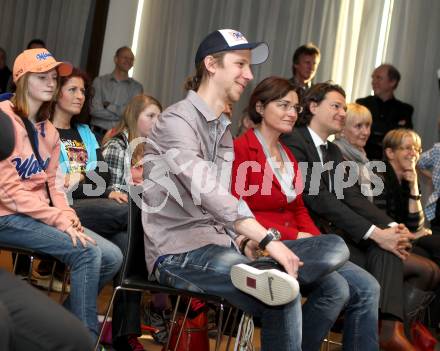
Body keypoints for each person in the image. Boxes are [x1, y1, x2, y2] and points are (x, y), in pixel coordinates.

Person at [142, 29, 350, 351]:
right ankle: (266, 269)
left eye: (249, 67)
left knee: (332, 250)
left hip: (221, 246)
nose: (249, 75)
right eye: (241, 64)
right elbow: (212, 193)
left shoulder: (220, 129)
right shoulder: (176, 121)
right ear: (211, 64)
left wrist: (242, 239)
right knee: (283, 291)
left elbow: (220, 206)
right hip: (178, 253)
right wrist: (267, 238)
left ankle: (263, 268)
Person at [231, 76, 379, 350]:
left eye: (295, 108)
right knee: (336, 287)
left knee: (368, 286)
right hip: (266, 244)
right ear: (260, 108)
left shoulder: (287, 154)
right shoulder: (242, 149)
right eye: (283, 105)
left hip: (300, 245)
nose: (291, 113)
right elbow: (238, 209)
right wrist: (296, 236)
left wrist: (310, 237)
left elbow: (298, 207)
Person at [281, 82, 417, 350]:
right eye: (336, 106)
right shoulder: (294, 141)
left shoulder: (332, 151)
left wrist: (391, 226)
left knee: (388, 251)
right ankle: (376, 331)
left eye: (344, 107)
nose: (343, 113)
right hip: (304, 237)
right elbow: (319, 199)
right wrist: (376, 233)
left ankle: (388, 329)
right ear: (313, 107)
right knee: (369, 276)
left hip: (331, 236)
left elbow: (352, 196)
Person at [0, 48, 122, 344]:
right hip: (7, 215)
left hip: (35, 214)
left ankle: (62, 332)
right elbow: (8, 191)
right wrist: (57, 218)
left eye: (54, 78)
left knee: (112, 256)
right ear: (22, 79)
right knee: (87, 252)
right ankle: (87, 340)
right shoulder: (4, 120)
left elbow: (53, 186)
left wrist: (68, 216)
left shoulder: (49, 132)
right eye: (42, 77)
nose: (51, 83)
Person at [50, 68, 146, 350]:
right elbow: (55, 184)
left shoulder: (85, 132)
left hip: (89, 208)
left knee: (124, 245)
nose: (80, 96)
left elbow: (101, 176)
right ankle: (84, 335)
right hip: (60, 208)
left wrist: (80, 179)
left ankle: (123, 335)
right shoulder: (44, 130)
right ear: (56, 93)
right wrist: (86, 179)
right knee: (128, 211)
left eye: (83, 91)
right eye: (72, 90)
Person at [335, 107, 440, 333]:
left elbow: (415, 224)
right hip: (369, 240)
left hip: (390, 237)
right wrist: (408, 234)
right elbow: (375, 215)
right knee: (429, 268)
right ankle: (391, 332)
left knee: (433, 261)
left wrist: (413, 186)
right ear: (390, 153)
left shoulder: (381, 167)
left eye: (417, 149)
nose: (414, 153)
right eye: (407, 148)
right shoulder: (375, 173)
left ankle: (409, 331)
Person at [102, 94, 162, 199]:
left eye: (159, 117)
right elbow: (114, 194)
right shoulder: (116, 147)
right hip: (126, 210)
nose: (156, 121)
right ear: (134, 117)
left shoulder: (154, 147)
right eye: (151, 116)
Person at [356, 64, 414, 160]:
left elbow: (403, 139)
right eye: (373, 78)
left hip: (390, 164)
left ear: (392, 82)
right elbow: (355, 130)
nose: (373, 82)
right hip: (362, 159)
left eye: (378, 78)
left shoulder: (405, 110)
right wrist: (392, 127)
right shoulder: (362, 104)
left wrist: (372, 126)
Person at [90, 46, 143, 140]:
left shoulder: (137, 88)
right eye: (125, 57)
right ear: (116, 59)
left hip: (120, 138)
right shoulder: (99, 82)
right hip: (96, 135)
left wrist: (110, 106)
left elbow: (132, 115)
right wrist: (122, 114)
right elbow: (94, 110)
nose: (129, 61)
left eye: (131, 59)